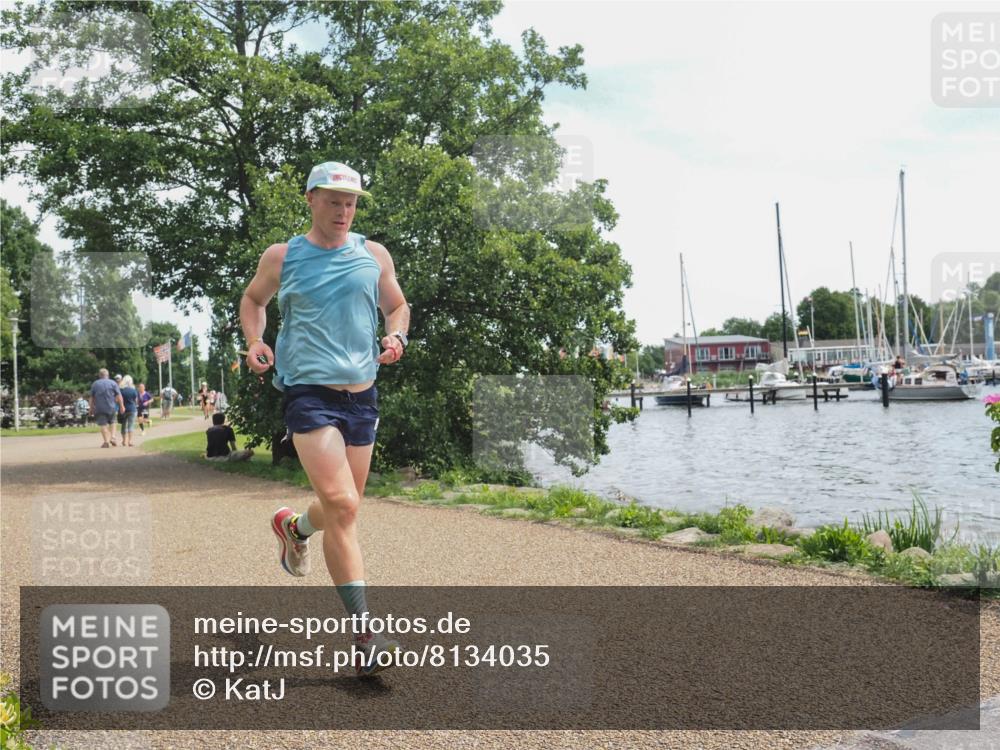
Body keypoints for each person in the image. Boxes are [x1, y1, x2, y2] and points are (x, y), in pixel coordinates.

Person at [240, 160, 410, 677]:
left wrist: (396, 336)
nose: (343, 210)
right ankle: (365, 636)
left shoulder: (372, 255)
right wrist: (255, 340)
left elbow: (397, 305)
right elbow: (253, 299)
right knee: (343, 504)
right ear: (311, 199)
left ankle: (293, 527)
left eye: (351, 202)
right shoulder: (284, 256)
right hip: (308, 393)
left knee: (342, 507)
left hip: (362, 396)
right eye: (334, 201)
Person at [88, 368, 124, 448]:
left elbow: (91, 398)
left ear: (99, 375)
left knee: (103, 424)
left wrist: (91, 408)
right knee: (113, 422)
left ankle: (106, 442)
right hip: (112, 407)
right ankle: (113, 437)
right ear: (107, 375)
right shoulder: (113, 383)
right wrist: (122, 406)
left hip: (100, 408)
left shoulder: (95, 384)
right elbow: (119, 395)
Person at [118, 375, 139, 446]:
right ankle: (130, 441)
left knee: (123, 425)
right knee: (131, 425)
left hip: (123, 409)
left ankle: (124, 441)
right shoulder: (133, 390)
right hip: (132, 409)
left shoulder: (121, 390)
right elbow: (136, 401)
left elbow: (117, 400)